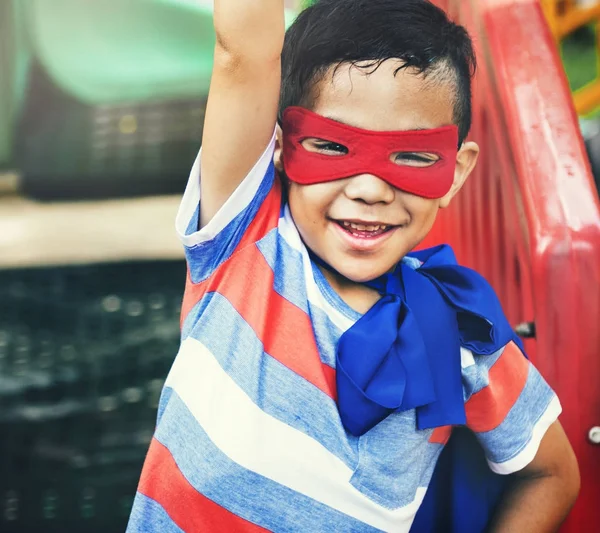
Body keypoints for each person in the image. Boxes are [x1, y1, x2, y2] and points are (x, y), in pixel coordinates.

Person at [127, 1, 580, 531]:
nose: (369, 190)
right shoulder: (244, 242)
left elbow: (553, 474)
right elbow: (241, 52)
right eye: (330, 146)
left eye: (412, 156)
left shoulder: (467, 334)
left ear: (456, 173)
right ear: (279, 147)